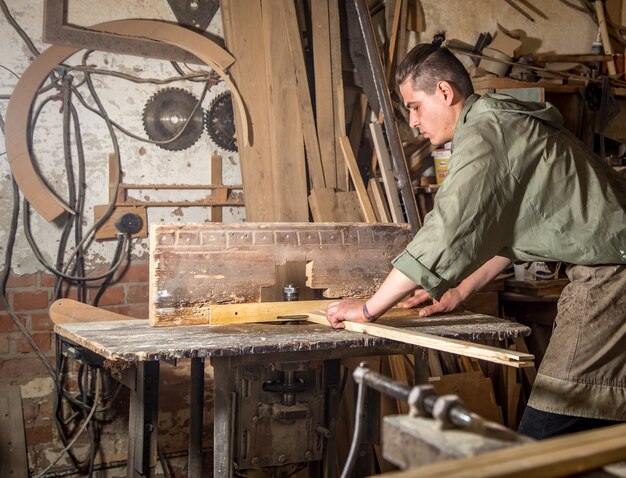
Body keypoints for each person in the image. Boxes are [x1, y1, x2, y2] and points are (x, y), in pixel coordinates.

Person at [325, 33, 626, 439]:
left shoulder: (486, 134)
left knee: (547, 431)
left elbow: (445, 231)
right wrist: (460, 290)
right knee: (600, 423)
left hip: (610, 276)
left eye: (415, 106)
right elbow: (515, 226)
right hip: (611, 267)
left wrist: (367, 310)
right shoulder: (501, 121)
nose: (413, 121)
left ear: (444, 92)